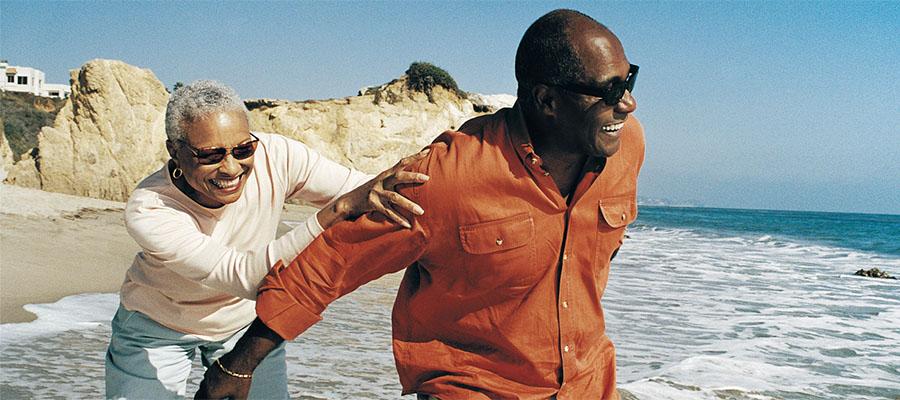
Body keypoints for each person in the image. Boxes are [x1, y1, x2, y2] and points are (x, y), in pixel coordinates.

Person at [197, 8, 643, 400]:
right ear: (547, 100)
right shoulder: (448, 177)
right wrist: (239, 363)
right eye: (609, 90)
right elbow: (332, 265)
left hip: (587, 384)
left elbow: (600, 249)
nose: (628, 102)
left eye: (629, 80)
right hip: (475, 389)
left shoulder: (626, 147)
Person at [104, 80, 429, 399]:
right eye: (210, 156)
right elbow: (246, 276)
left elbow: (366, 189)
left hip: (243, 323)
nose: (231, 168)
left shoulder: (277, 155)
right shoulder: (150, 208)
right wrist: (337, 211)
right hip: (157, 326)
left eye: (243, 149)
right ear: (174, 151)